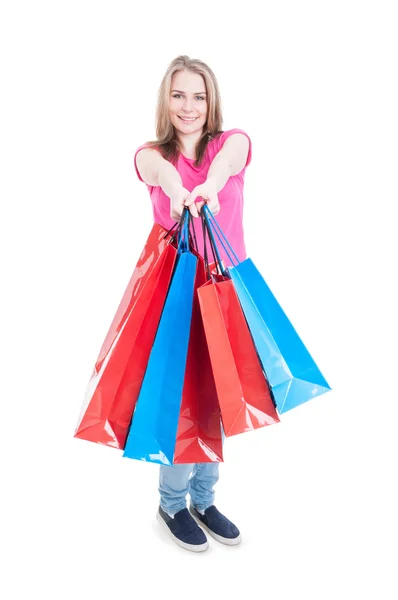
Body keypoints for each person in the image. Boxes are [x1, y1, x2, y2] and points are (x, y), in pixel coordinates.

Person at [133, 55, 252, 553]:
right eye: (178, 95)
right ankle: (173, 502)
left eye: (198, 95)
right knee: (182, 398)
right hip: (177, 296)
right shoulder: (151, 153)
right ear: (167, 99)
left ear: (211, 101)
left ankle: (204, 497)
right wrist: (179, 187)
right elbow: (157, 172)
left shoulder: (231, 144)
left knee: (220, 397)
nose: (189, 106)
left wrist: (212, 183)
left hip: (226, 290)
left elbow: (231, 160)